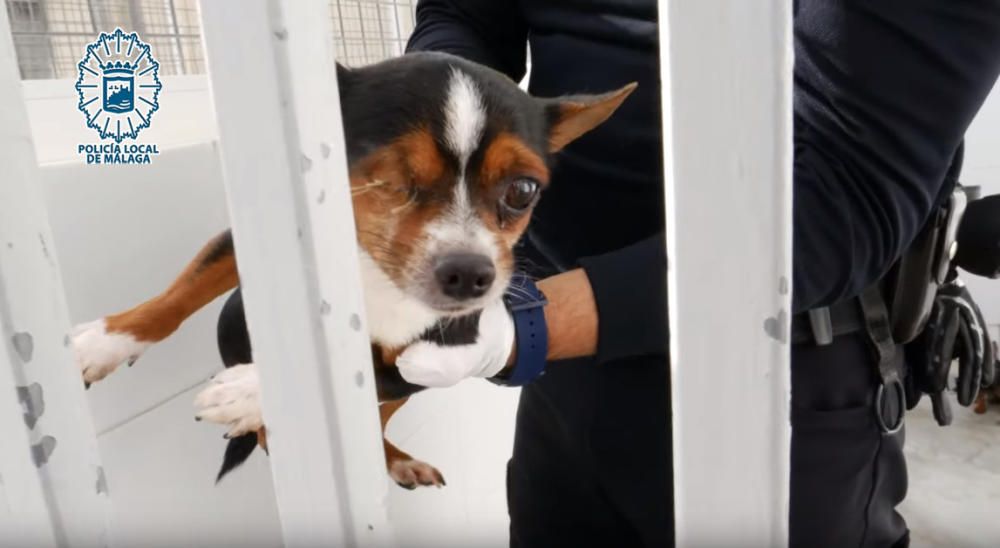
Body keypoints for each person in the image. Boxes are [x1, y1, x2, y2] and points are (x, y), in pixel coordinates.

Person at [394, 1, 1000, 546]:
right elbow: (467, 14)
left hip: (784, 374)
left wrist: (527, 326)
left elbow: (846, 193)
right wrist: (430, 133)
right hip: (563, 374)